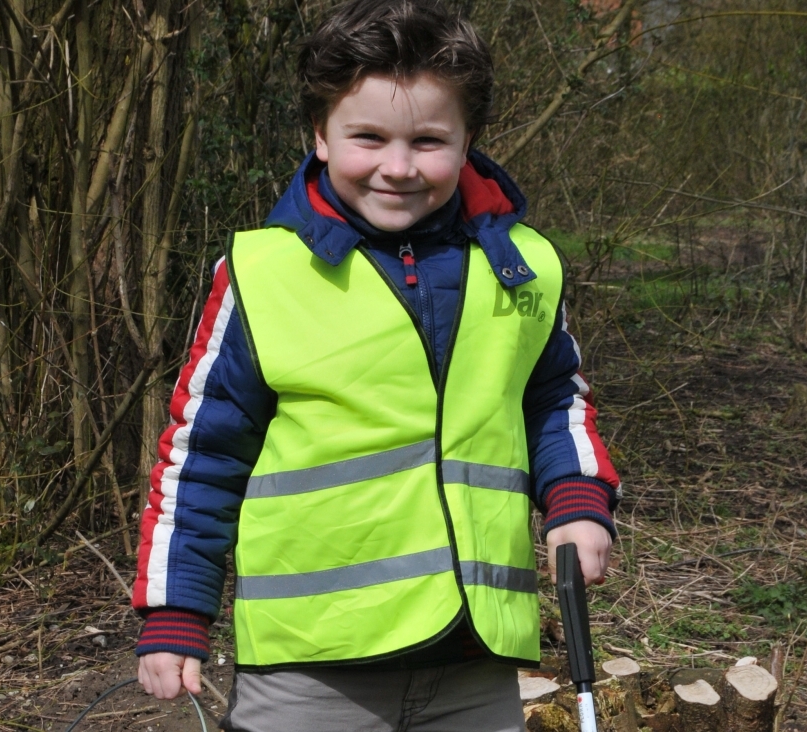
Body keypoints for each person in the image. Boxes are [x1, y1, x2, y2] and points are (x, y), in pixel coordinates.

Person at [131, 1, 621, 729]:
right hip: (309, 666)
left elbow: (557, 401)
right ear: (320, 136)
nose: (397, 167)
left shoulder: (526, 268)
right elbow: (198, 458)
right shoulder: (262, 275)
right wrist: (175, 611)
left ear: (468, 141)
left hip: (475, 655)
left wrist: (578, 501)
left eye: (428, 140)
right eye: (368, 137)